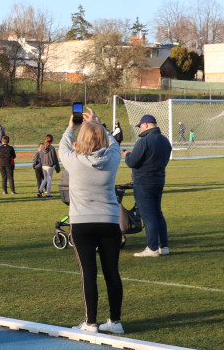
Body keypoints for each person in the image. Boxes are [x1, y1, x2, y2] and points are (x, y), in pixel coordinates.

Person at [58, 106, 125, 334]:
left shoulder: (74, 161)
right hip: (109, 222)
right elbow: (114, 143)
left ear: (82, 139)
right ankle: (115, 322)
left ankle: (91, 323)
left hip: (82, 223)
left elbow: (63, 147)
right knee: (111, 272)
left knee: (88, 273)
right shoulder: (113, 158)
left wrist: (71, 127)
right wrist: (98, 124)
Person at [124, 114, 173, 257]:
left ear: (145, 125)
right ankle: (163, 246)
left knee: (148, 216)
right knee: (158, 214)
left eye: (140, 126)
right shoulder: (165, 141)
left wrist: (127, 155)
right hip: (159, 180)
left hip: (143, 182)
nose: (140, 129)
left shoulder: (143, 141)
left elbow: (132, 162)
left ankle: (152, 248)